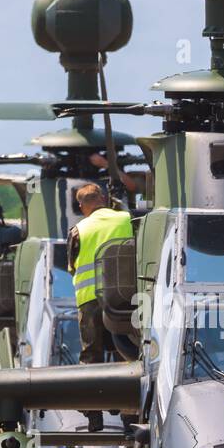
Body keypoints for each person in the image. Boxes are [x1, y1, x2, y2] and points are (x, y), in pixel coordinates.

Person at [67, 183, 133, 430]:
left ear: (82, 205)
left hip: (89, 301)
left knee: (90, 357)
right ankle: (128, 415)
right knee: (125, 354)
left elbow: (72, 266)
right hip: (124, 300)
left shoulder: (78, 230)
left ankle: (94, 416)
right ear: (104, 199)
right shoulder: (126, 219)